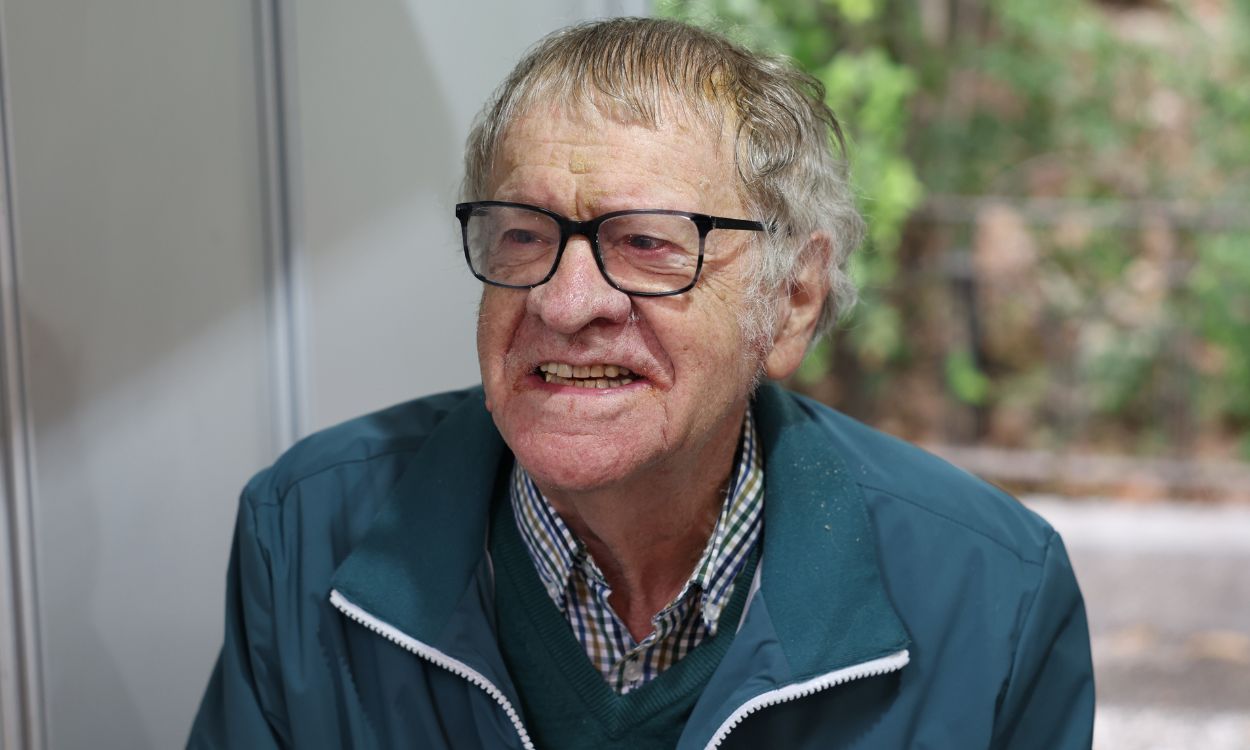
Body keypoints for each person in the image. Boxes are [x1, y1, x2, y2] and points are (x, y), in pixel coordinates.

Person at [189, 17, 1094, 749]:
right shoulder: (305, 535)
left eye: (648, 243)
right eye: (523, 235)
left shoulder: (991, 594)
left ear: (792, 301)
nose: (564, 299)